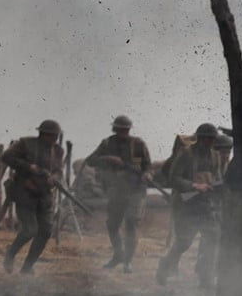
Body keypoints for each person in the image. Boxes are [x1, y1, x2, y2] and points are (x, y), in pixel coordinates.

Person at [156, 123, 226, 287]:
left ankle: (205, 278)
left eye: (212, 139)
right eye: (207, 139)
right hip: (186, 205)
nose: (210, 142)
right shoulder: (186, 154)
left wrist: (217, 188)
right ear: (200, 139)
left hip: (206, 204)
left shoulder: (215, 156)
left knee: (213, 239)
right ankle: (165, 266)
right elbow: (173, 178)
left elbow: (218, 178)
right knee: (184, 242)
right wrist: (194, 186)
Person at [85, 115, 152, 272]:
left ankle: (127, 261)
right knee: (112, 225)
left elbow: (147, 166)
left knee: (131, 224)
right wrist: (107, 158)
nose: (123, 132)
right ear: (115, 129)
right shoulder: (107, 143)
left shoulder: (138, 144)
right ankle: (118, 255)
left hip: (136, 190)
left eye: (125, 130)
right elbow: (90, 160)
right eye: (120, 129)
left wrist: (147, 174)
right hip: (116, 190)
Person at [0, 120, 64, 274]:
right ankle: (10, 254)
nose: (54, 139)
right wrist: (29, 167)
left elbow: (58, 171)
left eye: (56, 136)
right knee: (30, 230)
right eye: (51, 135)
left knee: (46, 231)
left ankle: (27, 267)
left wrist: (54, 178)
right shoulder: (25, 143)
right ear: (42, 134)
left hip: (44, 195)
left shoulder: (58, 150)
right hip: (25, 193)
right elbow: (6, 157)